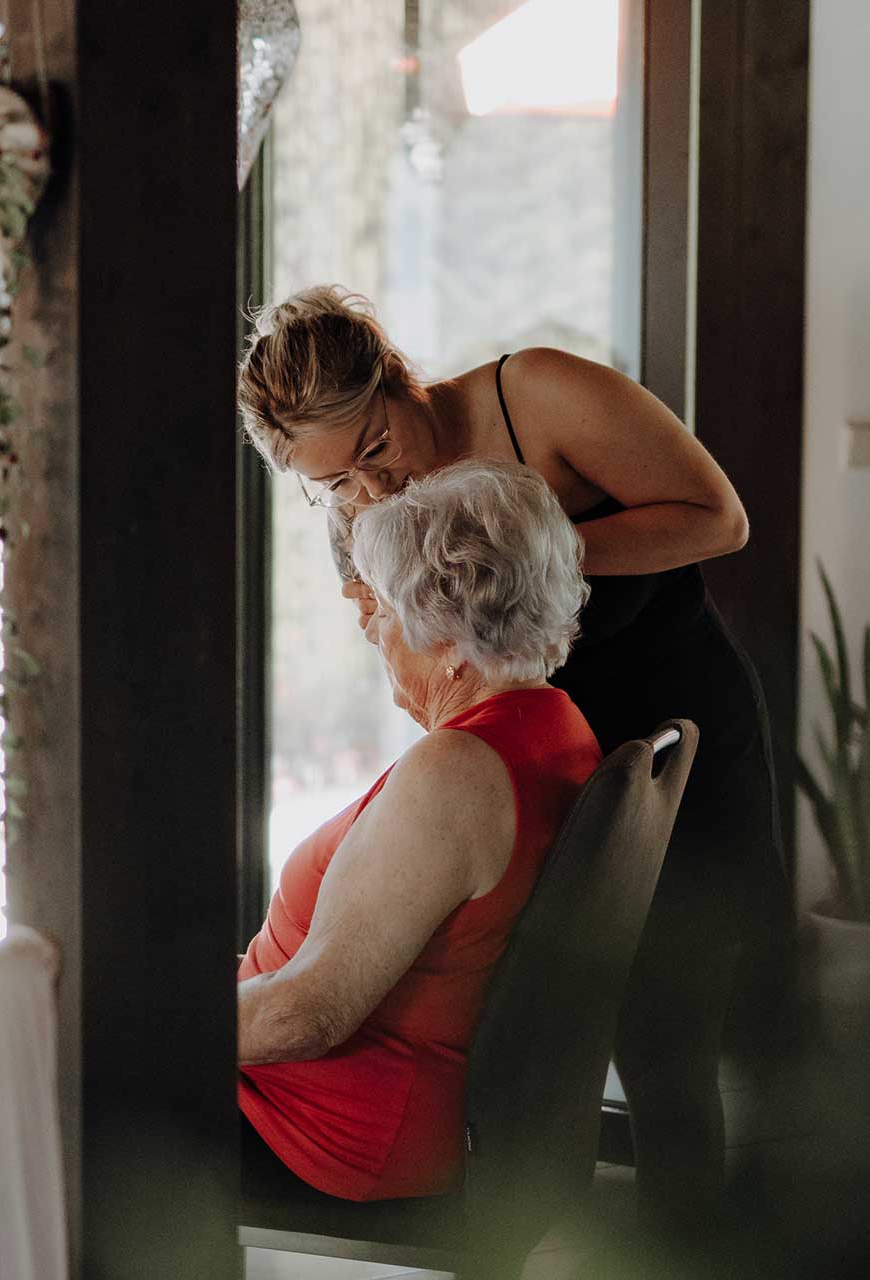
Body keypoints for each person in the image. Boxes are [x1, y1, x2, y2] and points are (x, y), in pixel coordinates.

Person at [239, 286, 790, 1229]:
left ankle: (700, 1246)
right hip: (538, 751)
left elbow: (720, 518)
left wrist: (522, 559)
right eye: (337, 485)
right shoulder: (369, 510)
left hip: (670, 726)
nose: (372, 490)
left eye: (374, 450)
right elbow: (397, 639)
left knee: (669, 1039)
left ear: (398, 379)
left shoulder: (534, 396)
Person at [237, 459, 601, 1200]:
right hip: (360, 1092)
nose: (370, 627)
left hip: (319, 1121)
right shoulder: (555, 720)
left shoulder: (458, 775)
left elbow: (310, 1013)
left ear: (452, 644)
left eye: (383, 607)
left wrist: (137, 1022)